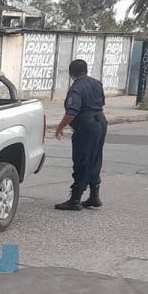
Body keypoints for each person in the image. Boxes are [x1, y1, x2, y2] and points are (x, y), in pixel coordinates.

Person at [54, 59, 107, 211]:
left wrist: (59, 127)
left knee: (82, 160)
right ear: (86, 70)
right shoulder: (97, 83)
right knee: (95, 158)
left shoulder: (76, 88)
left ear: (71, 73)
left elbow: (71, 112)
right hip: (100, 121)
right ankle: (94, 196)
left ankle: (75, 199)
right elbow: (102, 102)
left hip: (86, 126)